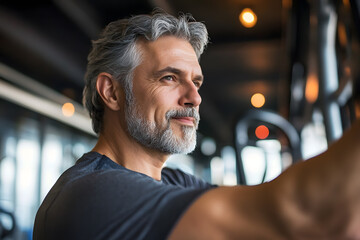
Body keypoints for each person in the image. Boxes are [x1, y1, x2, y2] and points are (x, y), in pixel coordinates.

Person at [33, 9, 360, 240]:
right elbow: (307, 220)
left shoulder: (172, 181)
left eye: (197, 83)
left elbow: (269, 206)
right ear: (112, 92)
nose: (194, 97)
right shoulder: (92, 194)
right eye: (170, 77)